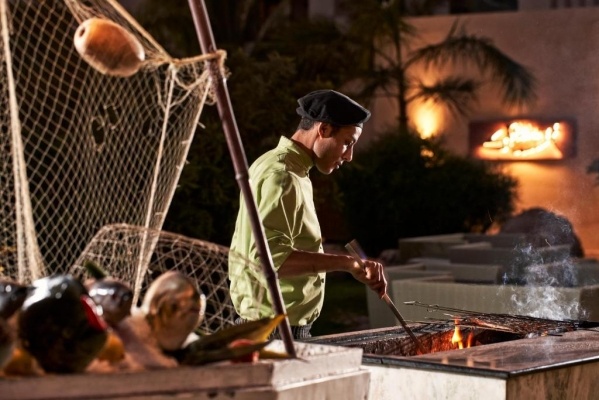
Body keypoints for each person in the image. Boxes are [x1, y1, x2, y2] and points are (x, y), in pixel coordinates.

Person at [228, 89, 388, 339]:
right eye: (347, 143)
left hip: (274, 327)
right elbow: (270, 260)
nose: (349, 156)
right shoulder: (284, 175)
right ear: (323, 129)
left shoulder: (282, 166)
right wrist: (347, 263)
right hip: (275, 332)